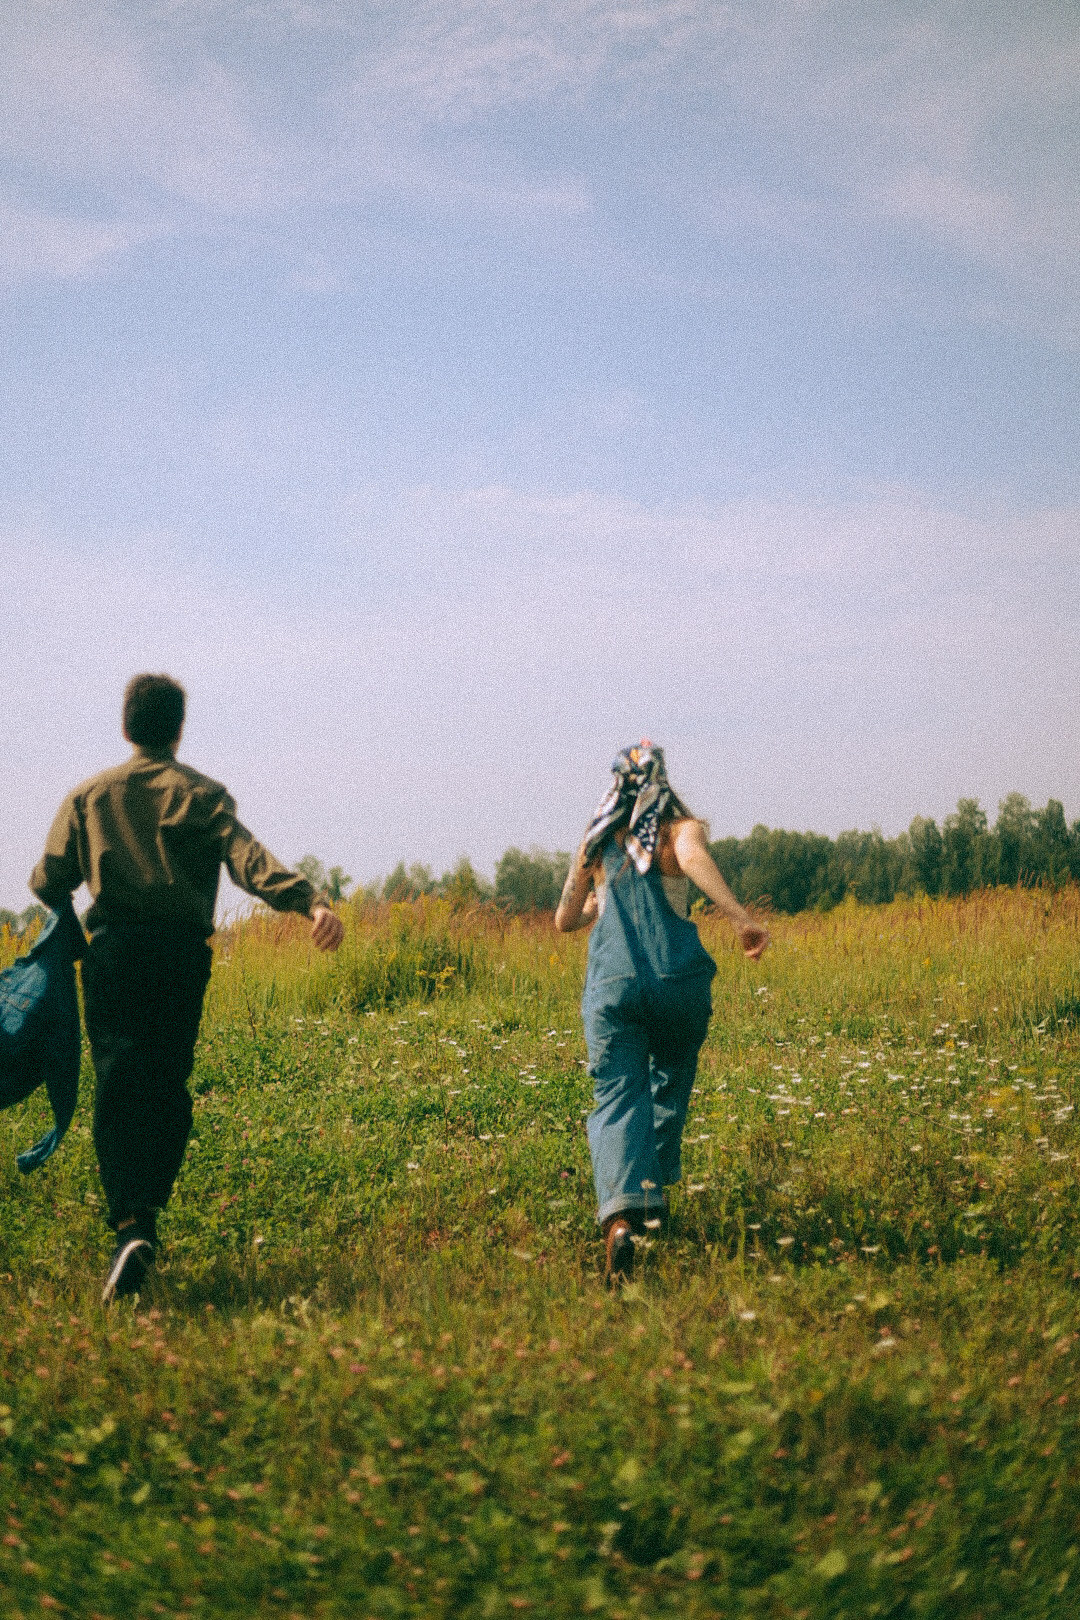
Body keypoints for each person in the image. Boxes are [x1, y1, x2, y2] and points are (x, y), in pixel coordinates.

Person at [29, 673, 345, 1304]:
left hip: (113, 954)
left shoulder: (89, 796)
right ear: (178, 729)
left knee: (117, 1082)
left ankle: (130, 1224)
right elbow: (250, 860)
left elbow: (47, 878)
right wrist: (310, 903)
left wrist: (65, 918)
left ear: (126, 725)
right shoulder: (203, 795)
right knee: (167, 1081)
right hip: (179, 959)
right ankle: (147, 1211)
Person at [555, 741, 768, 1284]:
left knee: (617, 1096)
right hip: (676, 982)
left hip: (614, 986)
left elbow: (564, 919)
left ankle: (622, 1219)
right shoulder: (679, 829)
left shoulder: (597, 840)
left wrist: (603, 900)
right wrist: (739, 916)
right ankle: (651, 1201)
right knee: (669, 1081)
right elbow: (693, 860)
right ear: (663, 780)